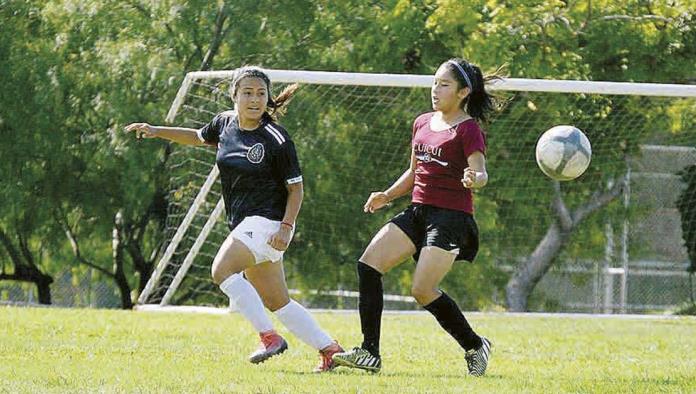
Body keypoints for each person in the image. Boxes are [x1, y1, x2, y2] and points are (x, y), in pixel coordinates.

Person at [125, 66, 343, 372]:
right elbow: (199, 137)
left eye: (261, 93)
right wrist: (157, 130)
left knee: (221, 269)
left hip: (270, 223)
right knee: (278, 302)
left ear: (268, 98)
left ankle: (269, 338)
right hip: (247, 225)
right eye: (247, 92)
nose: (255, 99)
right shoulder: (225, 123)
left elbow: (296, 190)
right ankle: (330, 349)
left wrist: (286, 227)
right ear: (234, 95)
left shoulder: (276, 138)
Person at [332, 58, 501, 376]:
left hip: (451, 218)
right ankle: (370, 352)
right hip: (418, 211)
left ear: (463, 92)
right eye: (435, 82)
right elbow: (413, 172)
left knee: (422, 290)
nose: (435, 90)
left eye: (444, 84)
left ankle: (475, 345)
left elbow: (480, 172)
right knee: (368, 264)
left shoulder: (468, 129)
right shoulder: (422, 122)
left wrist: (473, 179)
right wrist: (387, 195)